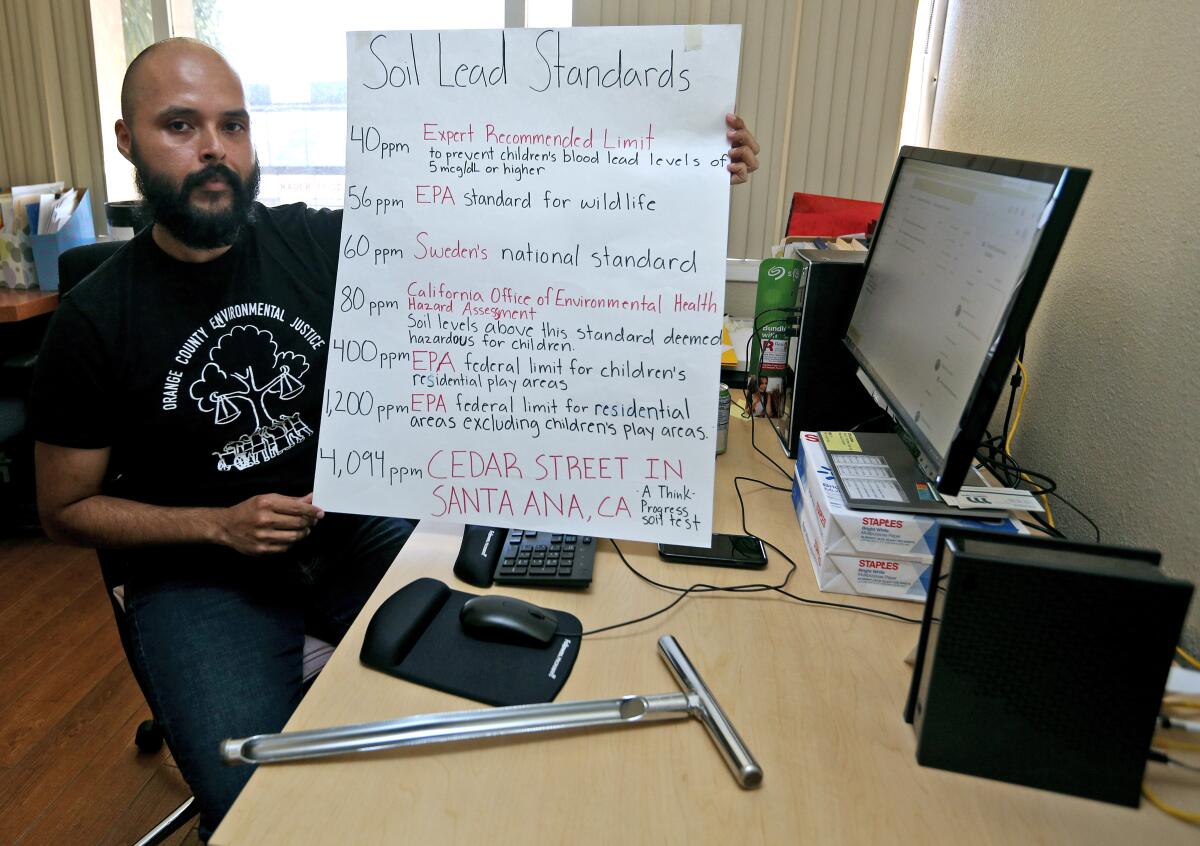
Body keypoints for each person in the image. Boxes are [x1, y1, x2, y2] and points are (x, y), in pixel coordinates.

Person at [30, 38, 758, 840]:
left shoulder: (315, 243)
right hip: (203, 578)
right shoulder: (95, 318)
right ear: (126, 139)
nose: (214, 150)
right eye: (179, 125)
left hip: (346, 530)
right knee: (256, 803)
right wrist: (215, 524)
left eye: (232, 126)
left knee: (519, 687)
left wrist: (674, 168)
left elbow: (503, 217)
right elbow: (64, 510)